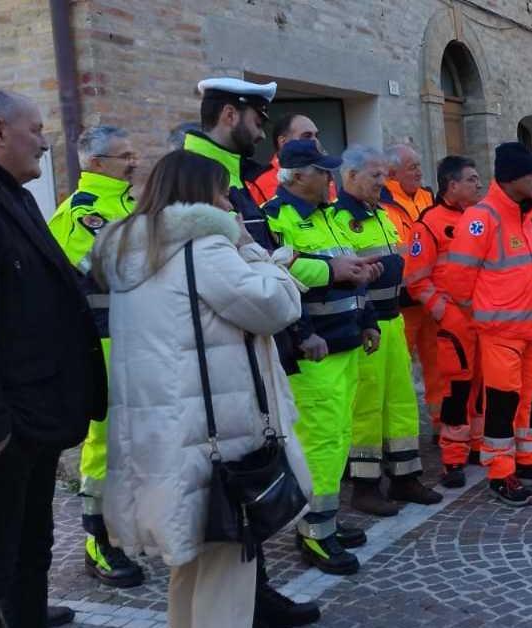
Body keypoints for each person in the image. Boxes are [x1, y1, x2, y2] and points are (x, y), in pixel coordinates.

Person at [91, 149, 307, 627]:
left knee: (190, 562)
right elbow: (274, 306)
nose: (231, 202)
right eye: (222, 192)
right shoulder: (206, 247)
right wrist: (260, 255)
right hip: (218, 437)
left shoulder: (130, 248)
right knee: (227, 569)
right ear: (202, 196)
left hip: (161, 433)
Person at [0, 89, 105, 627]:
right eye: (37, 131)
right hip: (0, 429)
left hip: (33, 416)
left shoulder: (11, 194)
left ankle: (27, 614)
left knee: (30, 542)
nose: (45, 145)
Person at [183, 76, 319, 628]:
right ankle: (242, 608)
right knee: (229, 491)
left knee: (248, 483)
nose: (263, 128)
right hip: (221, 368)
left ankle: (256, 598)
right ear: (230, 114)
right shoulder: (198, 180)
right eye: (258, 118)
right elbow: (236, 281)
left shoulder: (232, 180)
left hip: (249, 355)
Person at [263, 139, 382, 575]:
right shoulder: (275, 218)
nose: (330, 178)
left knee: (340, 434)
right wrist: (303, 333)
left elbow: (351, 272)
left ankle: (324, 517)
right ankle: (314, 529)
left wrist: (367, 318)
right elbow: (275, 279)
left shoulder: (329, 217)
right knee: (321, 439)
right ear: (296, 176)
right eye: (321, 171)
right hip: (315, 350)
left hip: (346, 340)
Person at [47, 125, 146, 589]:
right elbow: (91, 275)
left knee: (133, 445)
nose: (134, 161)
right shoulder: (82, 211)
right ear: (96, 163)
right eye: (125, 155)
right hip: (103, 345)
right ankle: (98, 543)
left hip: (137, 343)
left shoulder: (130, 205)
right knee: (105, 447)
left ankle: (124, 530)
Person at [448, 142, 532, 506]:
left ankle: (529, 459)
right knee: (502, 404)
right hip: (502, 333)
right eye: (531, 173)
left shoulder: (531, 213)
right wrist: (489, 314)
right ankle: (501, 473)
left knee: (530, 401)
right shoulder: (482, 218)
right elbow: (457, 282)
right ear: (512, 177)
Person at [332, 145, 442, 515]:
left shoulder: (380, 213)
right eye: (375, 176)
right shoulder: (339, 219)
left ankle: (405, 476)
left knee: (401, 400)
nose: (384, 182)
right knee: (367, 405)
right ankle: (365, 485)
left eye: (384, 174)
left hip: (393, 319)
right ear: (350, 177)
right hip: (367, 325)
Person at [404, 155, 486, 488]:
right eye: (472, 179)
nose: (478, 184)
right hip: (453, 321)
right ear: (452, 185)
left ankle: (478, 445)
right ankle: (453, 459)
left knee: (482, 384)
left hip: (482, 317)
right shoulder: (429, 223)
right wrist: (442, 310)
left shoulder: (480, 218)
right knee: (456, 388)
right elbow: (416, 278)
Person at [381, 144, 442, 438]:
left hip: (429, 297)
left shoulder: (429, 198)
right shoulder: (381, 202)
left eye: (419, 165)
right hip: (400, 301)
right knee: (398, 370)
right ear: (393, 172)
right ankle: (396, 434)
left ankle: (444, 425)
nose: (419, 171)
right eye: (412, 167)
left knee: (438, 364)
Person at [184, 77, 276, 249]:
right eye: (258, 123)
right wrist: (330, 269)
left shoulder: (237, 172)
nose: (262, 135)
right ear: (230, 115)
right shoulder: (195, 177)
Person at [248, 113, 337, 205]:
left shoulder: (323, 173)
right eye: (307, 136)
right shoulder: (259, 182)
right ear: (283, 141)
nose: (316, 142)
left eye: (316, 136)